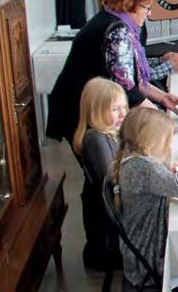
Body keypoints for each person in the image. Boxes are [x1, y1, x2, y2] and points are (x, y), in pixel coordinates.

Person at [47, 0, 178, 145]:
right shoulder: (117, 32)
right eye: (146, 8)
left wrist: (163, 98)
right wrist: (161, 119)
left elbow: (135, 77)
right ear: (128, 4)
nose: (149, 13)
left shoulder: (115, 21)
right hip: (80, 109)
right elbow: (127, 87)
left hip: (84, 104)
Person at [113, 107, 178, 288]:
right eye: (168, 141)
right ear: (149, 143)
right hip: (148, 256)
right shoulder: (146, 168)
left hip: (134, 250)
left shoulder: (131, 160)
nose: (170, 146)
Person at [72, 78, 128, 270]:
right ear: (96, 111)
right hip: (108, 244)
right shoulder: (95, 140)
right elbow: (115, 180)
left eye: (124, 108)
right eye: (115, 109)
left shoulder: (108, 135)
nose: (122, 114)